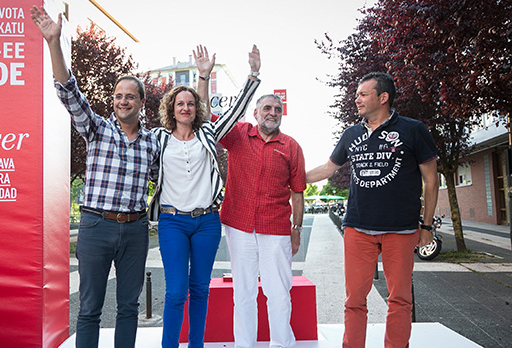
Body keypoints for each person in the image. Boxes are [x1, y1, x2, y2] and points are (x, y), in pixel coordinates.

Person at [30, 7, 160, 348]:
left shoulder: (153, 141)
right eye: (118, 96)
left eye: (130, 96)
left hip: (134, 229)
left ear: (141, 102)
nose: (122, 101)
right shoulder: (97, 129)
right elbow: (68, 90)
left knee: (129, 307)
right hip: (95, 226)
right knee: (89, 308)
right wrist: (54, 43)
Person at [305, 72, 438, 348]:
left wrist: (426, 227)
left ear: (383, 97)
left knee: (400, 299)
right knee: (354, 299)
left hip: (400, 228)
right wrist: (292, 176)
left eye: (363, 94)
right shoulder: (351, 134)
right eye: (356, 95)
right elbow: (329, 168)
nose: (357, 99)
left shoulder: (413, 130)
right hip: (358, 228)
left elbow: (432, 181)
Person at [149, 45, 261, 348]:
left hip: (207, 222)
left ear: (196, 108)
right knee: (175, 292)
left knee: (200, 289)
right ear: (171, 109)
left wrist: (252, 74)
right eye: (179, 104)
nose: (185, 108)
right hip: (172, 222)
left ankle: (196, 345)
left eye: (190, 104)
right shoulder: (158, 138)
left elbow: (237, 109)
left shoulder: (207, 134)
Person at [200, 81, 305, 347]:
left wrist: (297, 230)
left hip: (277, 228)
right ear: (256, 113)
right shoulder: (237, 135)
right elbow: (204, 114)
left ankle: (282, 344)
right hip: (240, 226)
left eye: (277, 109)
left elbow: (298, 192)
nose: (272, 112)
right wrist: (204, 76)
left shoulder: (291, 146)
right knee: (243, 292)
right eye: (267, 108)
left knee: (279, 292)